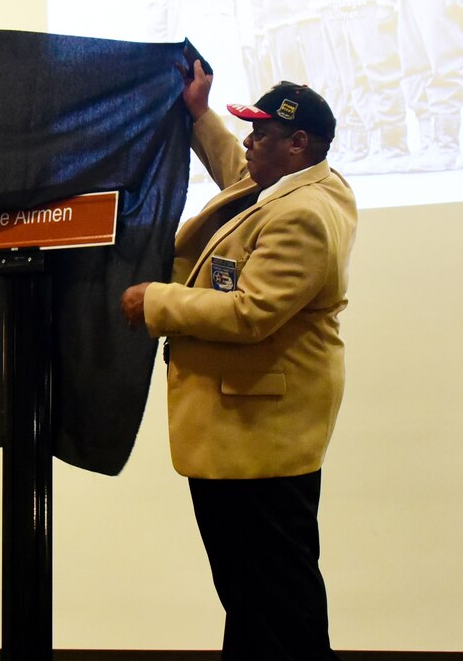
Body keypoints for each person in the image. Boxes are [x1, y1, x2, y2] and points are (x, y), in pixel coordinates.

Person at [121, 59, 356, 659]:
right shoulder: (289, 186)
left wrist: (158, 302)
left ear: (298, 143)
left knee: (278, 599)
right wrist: (199, 114)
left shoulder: (303, 214)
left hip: (259, 438)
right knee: (254, 596)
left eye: (261, 134)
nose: (248, 143)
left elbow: (251, 313)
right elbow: (235, 171)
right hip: (247, 434)